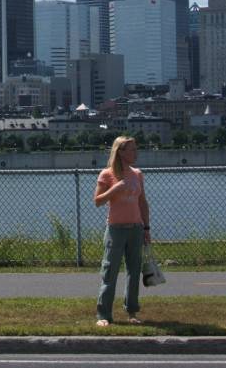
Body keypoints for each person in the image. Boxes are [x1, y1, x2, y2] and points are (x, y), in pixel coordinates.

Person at [93, 135, 151, 327]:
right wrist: (115, 188)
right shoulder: (107, 174)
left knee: (134, 271)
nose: (136, 153)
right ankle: (103, 315)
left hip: (135, 228)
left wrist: (146, 228)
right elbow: (98, 201)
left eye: (136, 149)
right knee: (110, 271)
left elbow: (142, 202)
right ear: (121, 152)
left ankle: (132, 311)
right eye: (132, 149)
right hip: (115, 229)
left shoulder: (137, 174)